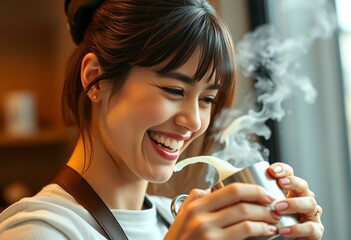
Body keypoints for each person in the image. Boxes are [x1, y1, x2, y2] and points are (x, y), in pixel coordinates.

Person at [0, 0, 324, 239]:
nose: (194, 121)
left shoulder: (177, 223)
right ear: (94, 79)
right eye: (173, 90)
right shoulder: (36, 229)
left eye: (208, 99)